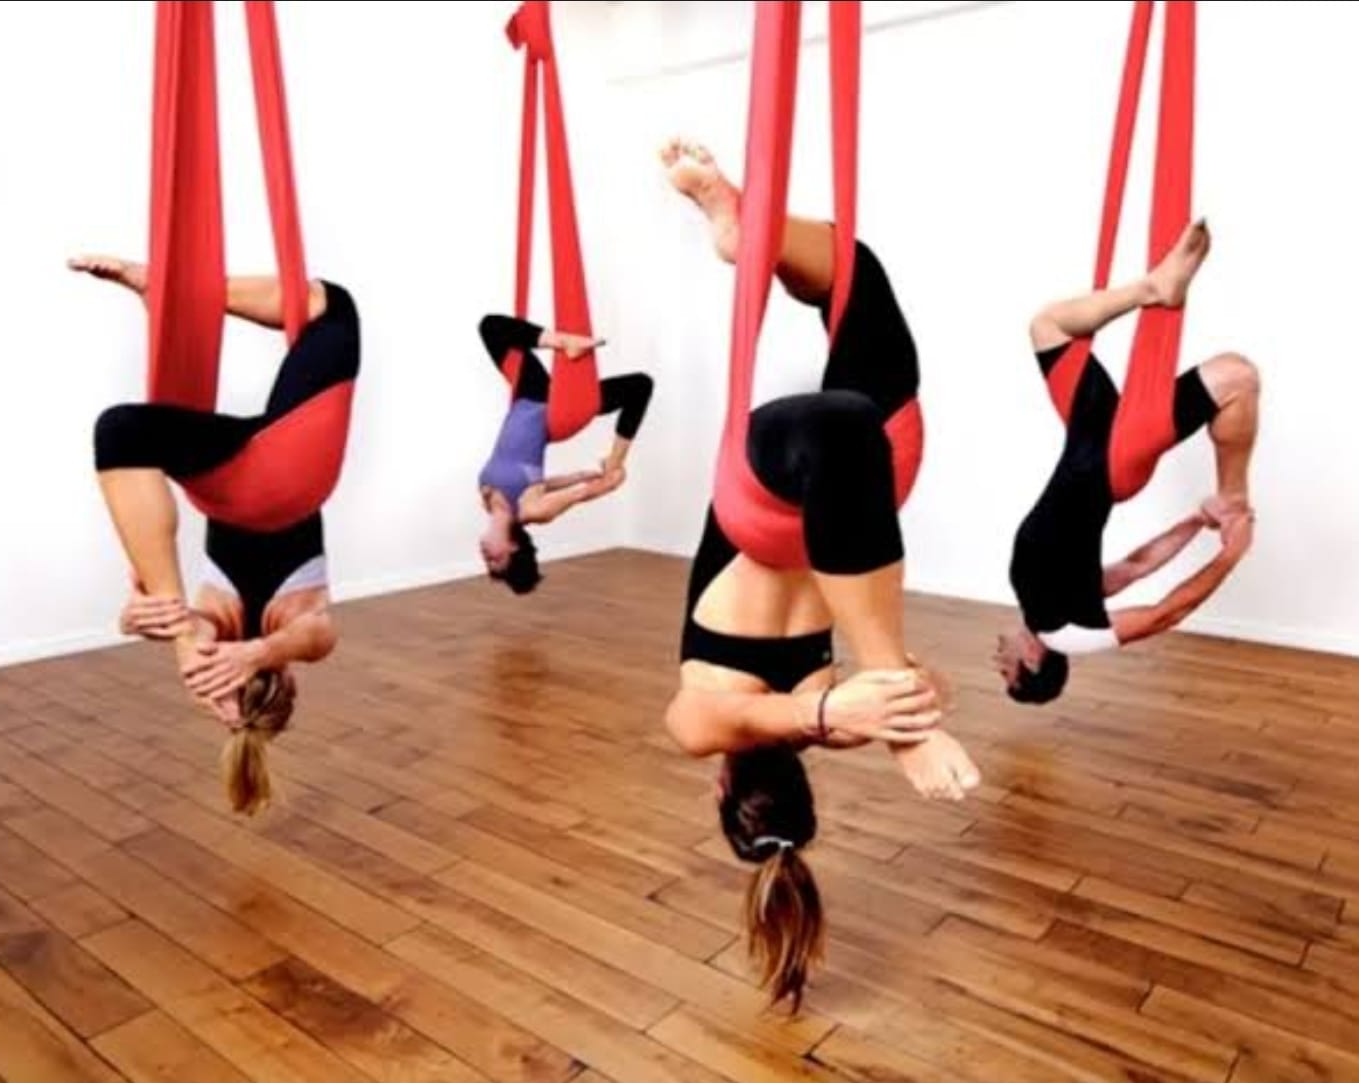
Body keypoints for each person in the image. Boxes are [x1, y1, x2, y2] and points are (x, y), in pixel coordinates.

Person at [658, 140, 981, 1012]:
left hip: (784, 486)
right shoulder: (821, 708)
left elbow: (727, 720)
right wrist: (908, 706)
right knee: (856, 278)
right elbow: (779, 721)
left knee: (841, 415)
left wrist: (859, 711)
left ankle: (742, 226)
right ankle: (741, 224)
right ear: (723, 789)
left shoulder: (748, 714)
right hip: (857, 479)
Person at [72, 254, 355, 814]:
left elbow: (316, 640)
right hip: (246, 472)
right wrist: (244, 653)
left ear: (291, 687)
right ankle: (173, 291)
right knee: (122, 432)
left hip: (276, 477)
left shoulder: (231, 629)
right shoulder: (274, 630)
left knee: (332, 307)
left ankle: (172, 290)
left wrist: (151, 619)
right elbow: (318, 637)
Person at [997, 220, 1260, 704]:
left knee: (1048, 327)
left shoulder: (1043, 607)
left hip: (1090, 439)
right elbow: (1166, 613)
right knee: (1237, 377)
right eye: (1006, 671)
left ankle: (1154, 287)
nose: (999, 660)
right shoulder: (1072, 635)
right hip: (1114, 462)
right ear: (1031, 664)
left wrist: (1191, 522)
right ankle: (1233, 494)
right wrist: (1229, 554)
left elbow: (1134, 566)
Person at [476, 316, 654, 594]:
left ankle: (565, 342)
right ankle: (616, 457)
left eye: (486, 561)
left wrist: (577, 475)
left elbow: (537, 482)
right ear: (513, 547)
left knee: (493, 329)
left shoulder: (489, 503)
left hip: (529, 396)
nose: (486, 554)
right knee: (640, 386)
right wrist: (610, 478)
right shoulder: (533, 510)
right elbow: (581, 495)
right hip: (553, 411)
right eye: (495, 559)